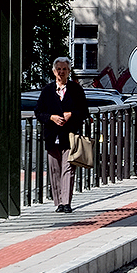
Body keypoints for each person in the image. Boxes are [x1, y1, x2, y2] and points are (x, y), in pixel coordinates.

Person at [33, 57, 90, 214]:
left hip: (69, 136)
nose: (61, 72)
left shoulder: (76, 90)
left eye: (64, 69)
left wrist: (71, 114)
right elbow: (38, 112)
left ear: (69, 71)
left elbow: (84, 112)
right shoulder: (47, 91)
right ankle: (58, 202)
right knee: (54, 169)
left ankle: (66, 202)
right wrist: (51, 117)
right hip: (52, 136)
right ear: (54, 71)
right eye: (59, 69)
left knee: (68, 169)